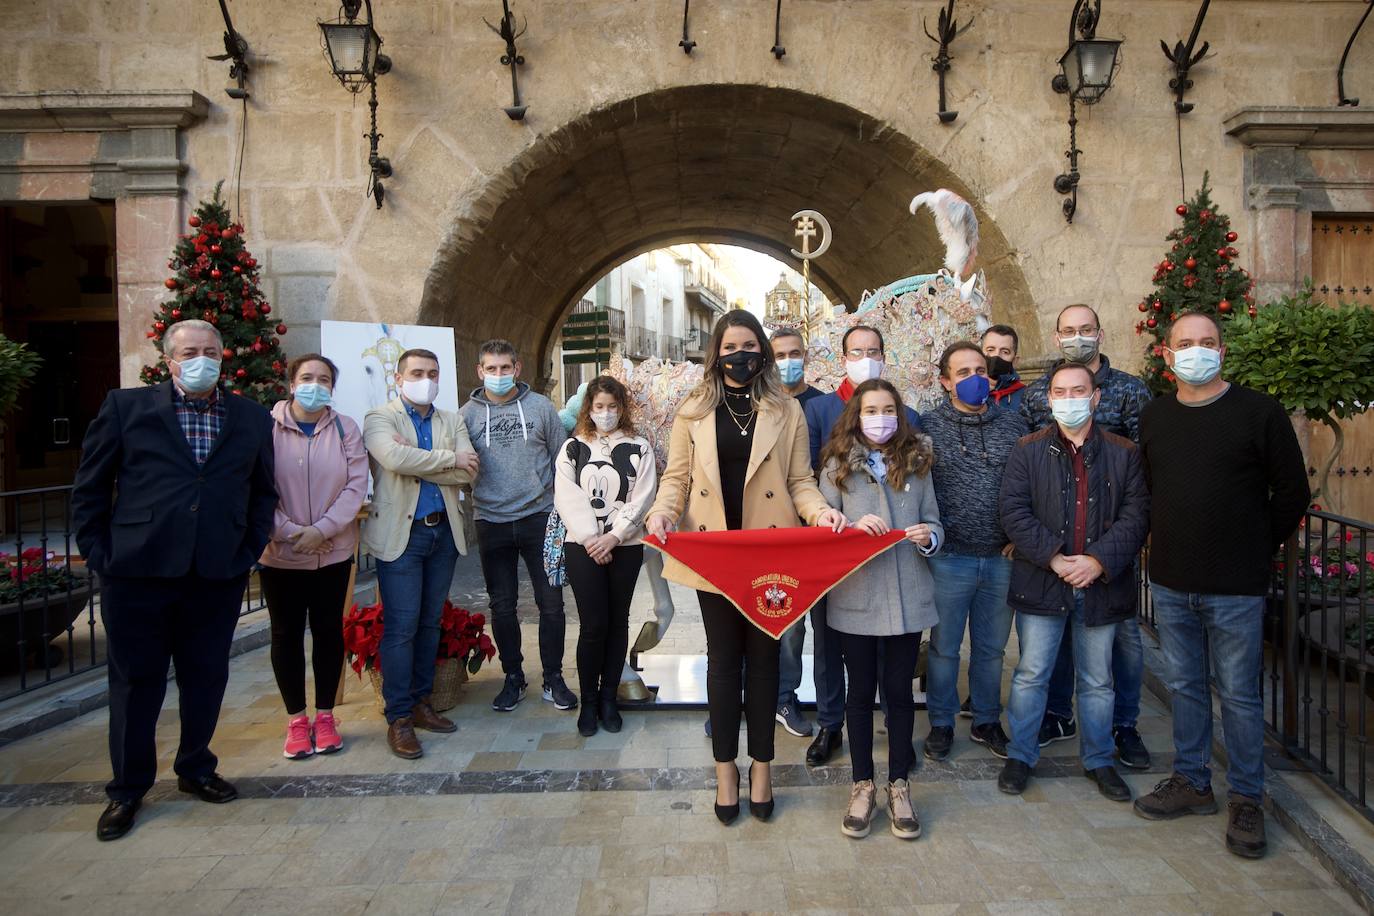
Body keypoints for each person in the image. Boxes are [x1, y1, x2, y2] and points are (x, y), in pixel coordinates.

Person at [72, 319, 277, 841]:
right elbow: (91, 487)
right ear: (169, 359)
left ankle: (195, 767)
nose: (200, 358)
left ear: (224, 355)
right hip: (136, 571)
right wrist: (100, 553)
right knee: (136, 681)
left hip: (215, 572)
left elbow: (262, 492)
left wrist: (247, 548)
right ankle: (127, 788)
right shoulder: (127, 408)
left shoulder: (251, 418)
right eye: (189, 351)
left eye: (210, 350)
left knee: (206, 676)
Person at [646, 310, 844, 825]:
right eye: (731, 346)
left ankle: (761, 766)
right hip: (715, 555)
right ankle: (724, 770)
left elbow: (800, 480)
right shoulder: (692, 409)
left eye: (750, 345)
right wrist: (663, 512)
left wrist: (820, 511)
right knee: (722, 661)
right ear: (716, 353)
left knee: (765, 660)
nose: (741, 355)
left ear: (762, 352)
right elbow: (677, 478)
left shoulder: (787, 411)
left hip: (769, 554)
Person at [1133, 312, 1308, 859]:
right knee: (1186, 687)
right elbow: (1153, 489)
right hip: (1172, 580)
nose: (1197, 351)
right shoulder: (1156, 417)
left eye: (1207, 342)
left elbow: (1293, 493)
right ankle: (1192, 781)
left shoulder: (1260, 413)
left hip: (1236, 585)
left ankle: (1248, 799)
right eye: (1186, 343)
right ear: (1167, 355)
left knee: (1238, 694)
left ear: (1222, 352)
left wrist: (1256, 546)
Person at [997, 361, 1150, 802]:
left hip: (1100, 585)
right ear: (1048, 400)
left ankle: (1099, 760)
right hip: (1044, 580)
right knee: (1031, 675)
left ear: (1096, 397)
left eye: (1078, 390)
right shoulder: (1027, 450)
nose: (1070, 399)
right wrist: (1056, 560)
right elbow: (1014, 512)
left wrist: (1099, 561)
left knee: (1098, 680)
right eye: (1060, 392)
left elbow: (1136, 515)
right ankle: (1021, 756)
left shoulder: (1124, 452)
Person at [1021, 305, 1154, 767]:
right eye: (1069, 331)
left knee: (1123, 646)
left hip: (1108, 544)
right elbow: (1025, 473)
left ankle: (1123, 726)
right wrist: (1050, 552)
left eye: (1085, 329)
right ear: (1057, 338)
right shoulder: (1038, 395)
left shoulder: (1132, 391)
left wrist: (1103, 556)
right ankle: (1057, 715)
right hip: (1053, 546)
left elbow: (1144, 468)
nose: (1078, 337)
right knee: (1047, 651)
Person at [818, 379, 942, 840]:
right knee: (859, 692)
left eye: (888, 409)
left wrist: (929, 537)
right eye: (871, 409)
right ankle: (862, 783)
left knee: (899, 691)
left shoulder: (918, 462)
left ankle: (900, 784)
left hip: (907, 594)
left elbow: (934, 519)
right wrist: (849, 526)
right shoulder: (836, 465)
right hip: (858, 595)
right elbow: (822, 524)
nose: (880, 417)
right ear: (857, 413)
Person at [801, 325, 921, 766]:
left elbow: (921, 491)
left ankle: (896, 730)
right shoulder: (817, 410)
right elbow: (811, 483)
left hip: (898, 565)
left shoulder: (907, 419)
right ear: (843, 355)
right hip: (839, 558)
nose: (865, 356)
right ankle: (832, 725)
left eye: (873, 350)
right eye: (857, 350)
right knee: (833, 647)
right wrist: (838, 523)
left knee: (893, 657)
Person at [364, 348, 479, 759]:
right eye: (417, 372)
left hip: (442, 534)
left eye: (432, 372)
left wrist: (418, 462)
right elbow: (392, 457)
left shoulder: (452, 419)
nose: (425, 379)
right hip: (402, 537)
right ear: (399, 379)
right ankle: (398, 717)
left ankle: (420, 702)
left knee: (430, 622)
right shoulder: (380, 418)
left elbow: (469, 472)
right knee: (401, 626)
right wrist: (447, 459)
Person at [921, 342, 1028, 762]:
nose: (973, 379)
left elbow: (1029, 486)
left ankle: (986, 721)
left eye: (979, 370)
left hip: (1001, 558)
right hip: (950, 559)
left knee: (991, 649)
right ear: (946, 381)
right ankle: (942, 723)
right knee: (945, 648)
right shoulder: (927, 428)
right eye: (962, 372)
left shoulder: (1014, 426)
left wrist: (1022, 536)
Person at [259, 354, 368, 759]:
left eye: (324, 379)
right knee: (285, 635)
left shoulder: (345, 429)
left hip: (332, 552)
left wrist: (321, 531)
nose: (315, 385)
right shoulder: (265, 428)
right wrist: (291, 533)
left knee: (327, 632)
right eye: (307, 377)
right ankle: (295, 719)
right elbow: (258, 488)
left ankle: (325, 716)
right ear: (291, 383)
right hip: (281, 556)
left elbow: (355, 486)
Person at [461, 340, 574, 714]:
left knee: (552, 603)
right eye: (490, 369)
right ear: (479, 371)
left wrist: (564, 515)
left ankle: (553, 678)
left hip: (539, 517)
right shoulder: (466, 416)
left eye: (504, 368)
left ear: (517, 368)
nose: (498, 375)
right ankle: (514, 678)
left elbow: (564, 461)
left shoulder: (541, 408)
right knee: (503, 605)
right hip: (490, 521)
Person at [554, 375, 657, 737]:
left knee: (618, 623)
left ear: (622, 408)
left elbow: (642, 496)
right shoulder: (572, 448)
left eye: (612, 407)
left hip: (625, 546)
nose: (606, 413)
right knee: (593, 625)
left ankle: (610, 698)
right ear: (589, 409)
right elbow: (566, 496)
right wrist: (591, 538)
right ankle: (589, 701)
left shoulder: (640, 447)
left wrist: (615, 536)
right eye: (599, 407)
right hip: (582, 547)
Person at [770, 327, 824, 739]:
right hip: (760, 530)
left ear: (806, 356)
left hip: (807, 531)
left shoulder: (822, 405)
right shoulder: (759, 405)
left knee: (791, 622)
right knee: (742, 615)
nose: (787, 361)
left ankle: (785, 696)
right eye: (779, 355)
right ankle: (737, 695)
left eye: (794, 353)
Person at [981, 324, 1026, 410]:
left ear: (1015, 361)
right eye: (990, 350)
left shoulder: (1026, 397)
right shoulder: (968, 393)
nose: (996, 355)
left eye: (1005, 352)